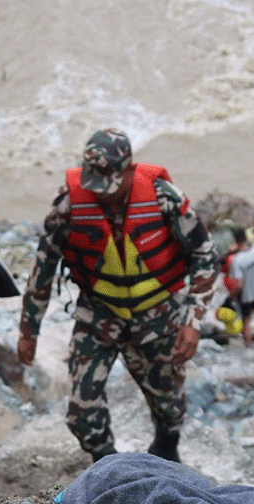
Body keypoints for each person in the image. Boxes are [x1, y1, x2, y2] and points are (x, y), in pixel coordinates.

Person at [16, 128, 217, 464]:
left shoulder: (163, 197)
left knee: (169, 403)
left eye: (111, 185)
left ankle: (166, 447)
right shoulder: (67, 206)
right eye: (96, 186)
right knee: (82, 411)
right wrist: (28, 332)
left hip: (157, 314)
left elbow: (205, 255)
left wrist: (193, 321)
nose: (103, 196)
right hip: (99, 314)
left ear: (129, 170)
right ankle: (110, 466)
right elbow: (43, 271)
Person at [228, 227, 254, 344]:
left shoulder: (237, 260)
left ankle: (249, 346)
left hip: (247, 294)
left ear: (235, 241)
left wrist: (230, 298)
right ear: (246, 238)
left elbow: (239, 285)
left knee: (246, 321)